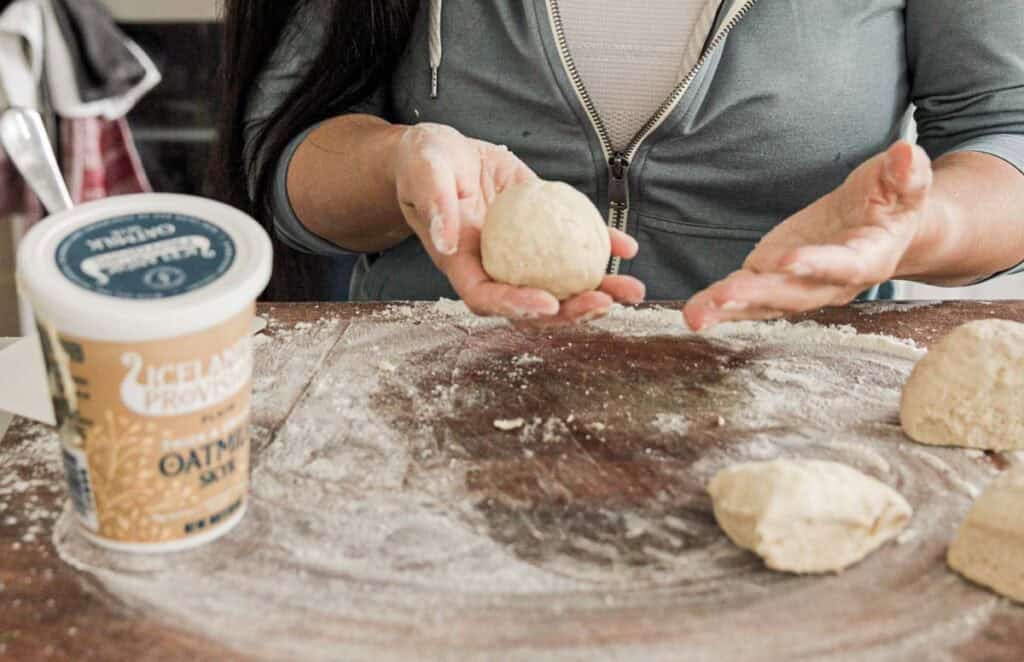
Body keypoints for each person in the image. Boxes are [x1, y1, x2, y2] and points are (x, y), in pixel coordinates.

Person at [213, 0, 1024, 328]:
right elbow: (284, 152)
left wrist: (917, 227)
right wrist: (398, 163)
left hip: (800, 429)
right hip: (436, 408)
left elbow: (1006, 129)